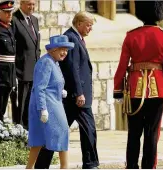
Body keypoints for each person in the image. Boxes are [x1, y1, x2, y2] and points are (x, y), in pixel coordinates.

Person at [113, 1, 163, 169]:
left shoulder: (131, 35)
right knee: (152, 133)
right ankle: (149, 167)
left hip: (135, 89)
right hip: (158, 90)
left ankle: (132, 166)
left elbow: (122, 66)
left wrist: (118, 90)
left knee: (134, 133)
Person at [35, 11, 99, 169]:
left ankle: (42, 164)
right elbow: (72, 68)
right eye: (88, 25)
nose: (90, 28)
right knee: (87, 129)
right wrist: (79, 92)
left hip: (72, 96)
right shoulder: (71, 38)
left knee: (57, 130)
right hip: (75, 97)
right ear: (79, 24)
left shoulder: (77, 38)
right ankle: (91, 165)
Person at [26, 35, 74, 169]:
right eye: (61, 49)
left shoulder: (54, 62)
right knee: (56, 133)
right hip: (47, 105)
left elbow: (52, 83)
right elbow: (39, 87)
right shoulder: (46, 62)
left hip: (55, 103)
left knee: (43, 138)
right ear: (53, 50)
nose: (64, 52)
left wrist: (60, 90)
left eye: (66, 49)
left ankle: (30, 168)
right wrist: (43, 109)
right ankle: (64, 167)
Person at [13, 0, 41, 129]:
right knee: (21, 102)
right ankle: (20, 128)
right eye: (29, 4)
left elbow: (36, 46)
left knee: (31, 102)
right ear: (22, 4)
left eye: (34, 4)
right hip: (21, 69)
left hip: (34, 68)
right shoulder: (14, 19)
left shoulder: (34, 20)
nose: (32, 7)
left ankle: (29, 129)